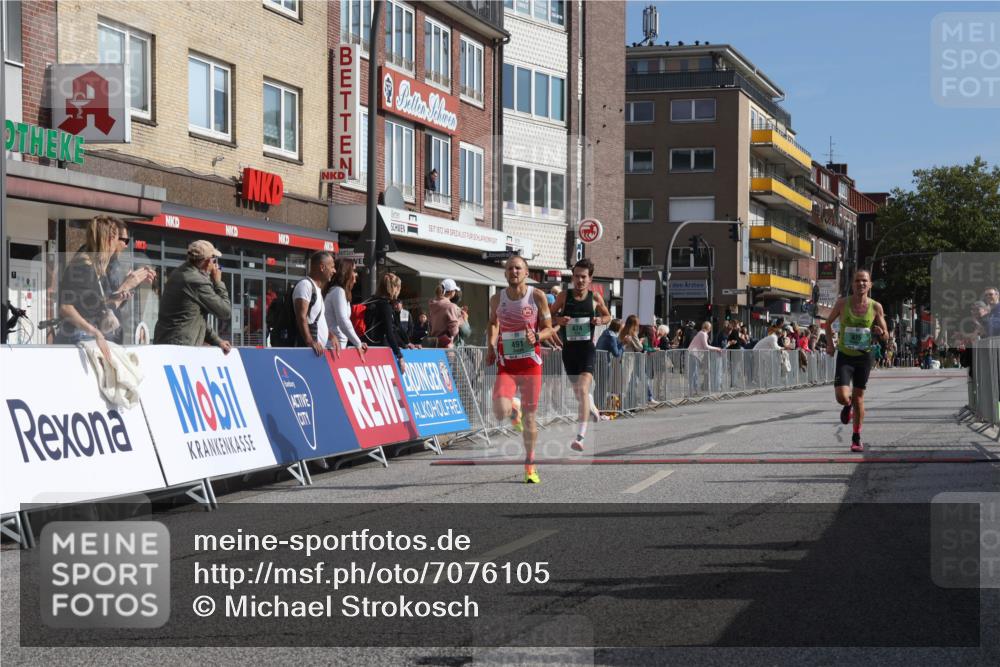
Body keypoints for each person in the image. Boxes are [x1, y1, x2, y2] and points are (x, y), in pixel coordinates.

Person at [486, 255, 555, 484]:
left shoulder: (537, 296)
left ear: (526, 273)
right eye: (509, 269)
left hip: (530, 365)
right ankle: (514, 410)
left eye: (518, 268)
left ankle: (530, 464)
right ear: (505, 274)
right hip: (507, 364)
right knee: (499, 409)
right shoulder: (497, 299)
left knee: (531, 419)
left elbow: (548, 329)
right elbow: (493, 323)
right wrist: (490, 346)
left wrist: (537, 336)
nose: (514, 272)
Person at [824, 269, 889, 453]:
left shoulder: (876, 307)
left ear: (870, 285)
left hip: (864, 357)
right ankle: (848, 405)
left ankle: (856, 437)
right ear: (852, 284)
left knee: (859, 398)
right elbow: (827, 324)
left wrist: (881, 333)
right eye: (857, 281)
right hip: (845, 355)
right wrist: (830, 344)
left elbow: (886, 335)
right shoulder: (842, 304)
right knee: (842, 397)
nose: (861, 283)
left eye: (864, 281)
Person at [551, 258, 611, 452]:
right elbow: (548, 316)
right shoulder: (563, 296)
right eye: (576, 276)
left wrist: (600, 320)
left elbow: (608, 316)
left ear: (590, 278)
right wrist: (559, 318)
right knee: (579, 393)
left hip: (587, 349)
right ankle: (592, 407)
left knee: (583, 389)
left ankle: (580, 437)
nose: (579, 280)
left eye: (583, 277)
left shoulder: (594, 298)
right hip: (569, 351)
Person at [153, 240, 233, 355]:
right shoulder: (197, 281)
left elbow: (195, 318)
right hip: (180, 348)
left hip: (168, 343)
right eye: (214, 260)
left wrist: (218, 341)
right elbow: (225, 312)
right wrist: (218, 282)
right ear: (207, 261)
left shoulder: (179, 273)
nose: (215, 264)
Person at [290, 251, 338, 357]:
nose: (334, 271)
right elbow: (301, 317)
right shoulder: (305, 285)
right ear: (322, 267)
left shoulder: (316, 289)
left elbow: (315, 318)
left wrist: (330, 335)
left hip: (316, 352)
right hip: (307, 352)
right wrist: (310, 342)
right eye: (332, 267)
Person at [363, 272, 407, 373]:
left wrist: (405, 344)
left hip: (365, 346)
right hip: (376, 351)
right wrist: (399, 355)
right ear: (394, 288)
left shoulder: (372, 300)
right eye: (399, 287)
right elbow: (390, 333)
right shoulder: (385, 306)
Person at [324, 257, 366, 357]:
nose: (356, 274)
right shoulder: (338, 291)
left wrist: (357, 341)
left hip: (336, 345)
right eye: (354, 270)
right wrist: (358, 343)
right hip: (332, 348)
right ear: (346, 272)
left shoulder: (337, 291)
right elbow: (343, 321)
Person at [429, 278, 463, 347]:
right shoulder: (451, 306)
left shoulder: (433, 305)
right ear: (451, 292)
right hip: (446, 345)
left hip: (434, 343)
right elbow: (454, 331)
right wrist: (461, 320)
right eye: (455, 290)